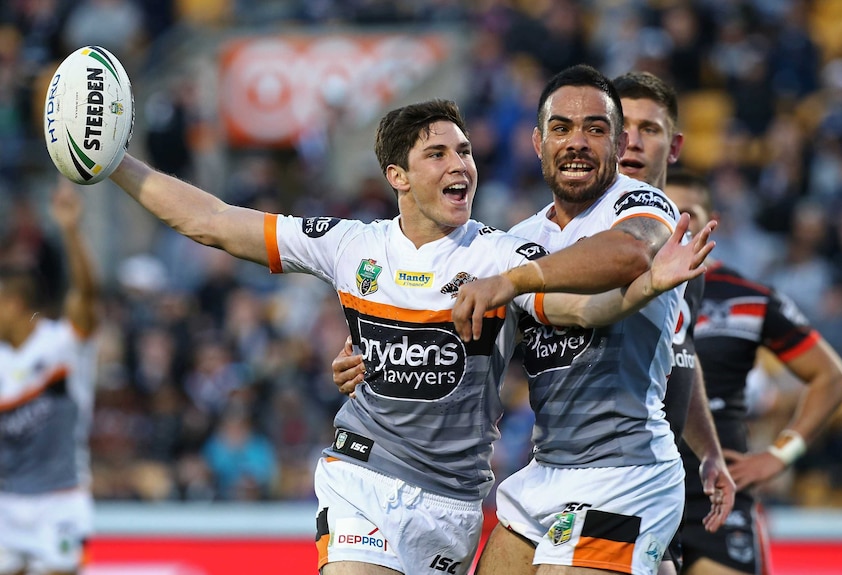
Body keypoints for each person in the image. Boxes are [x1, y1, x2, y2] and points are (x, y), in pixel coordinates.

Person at [93, 95, 711, 575]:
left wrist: (650, 286)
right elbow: (215, 223)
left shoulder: (502, 258)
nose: (460, 164)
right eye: (438, 154)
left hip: (455, 502)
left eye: (465, 151)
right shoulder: (350, 246)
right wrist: (114, 162)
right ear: (398, 176)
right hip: (363, 478)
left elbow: (584, 311)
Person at [451, 64, 727, 575]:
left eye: (595, 129)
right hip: (548, 469)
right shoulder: (518, 236)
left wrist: (515, 279)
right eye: (561, 128)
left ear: (617, 143)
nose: (577, 142)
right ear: (537, 142)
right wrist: (367, 358)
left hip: (626, 470)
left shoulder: (643, 204)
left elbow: (630, 255)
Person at [662, 168, 842, 575]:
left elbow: (832, 377)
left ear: (713, 221)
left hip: (715, 497)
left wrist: (781, 455)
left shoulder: (748, 297)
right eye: (667, 213)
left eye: (689, 214)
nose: (677, 226)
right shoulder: (621, 293)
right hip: (636, 486)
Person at [613, 71, 735, 575]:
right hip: (586, 470)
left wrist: (709, 451)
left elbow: (680, 353)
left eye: (650, 128)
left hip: (655, 479)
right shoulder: (570, 236)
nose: (633, 142)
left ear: (676, 144)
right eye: (620, 127)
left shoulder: (683, 246)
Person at [0, 179, 100, 575]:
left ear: (14, 304)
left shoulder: (62, 346)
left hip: (61, 498)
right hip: (6, 500)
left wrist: (71, 231)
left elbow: (88, 297)